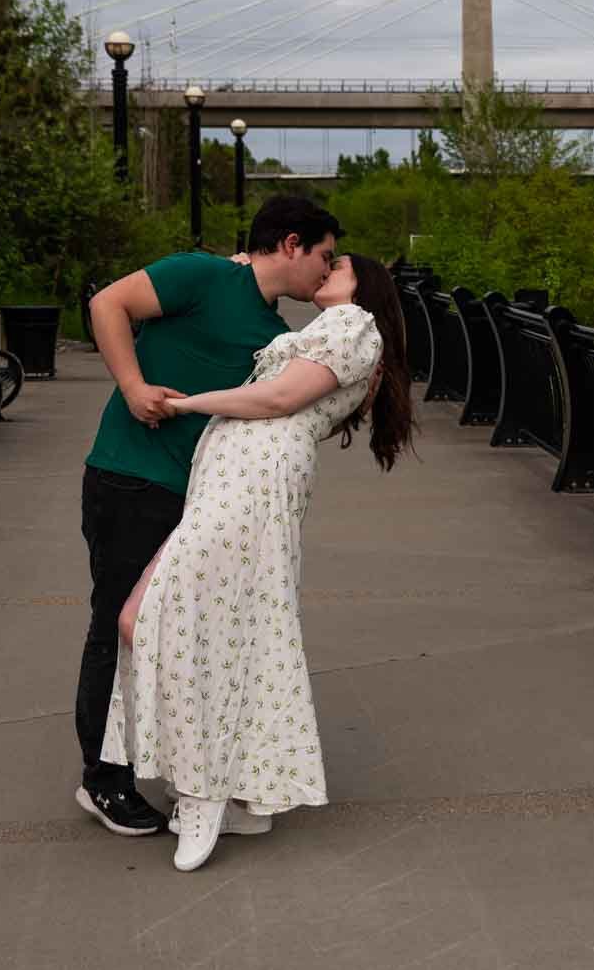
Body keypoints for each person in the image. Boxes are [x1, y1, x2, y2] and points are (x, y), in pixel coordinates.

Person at [101, 253, 415, 871]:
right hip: (229, 476)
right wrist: (238, 263)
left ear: (366, 286)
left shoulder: (354, 326)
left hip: (252, 482)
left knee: (174, 620)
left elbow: (278, 400)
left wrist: (188, 404)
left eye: (339, 264)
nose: (326, 270)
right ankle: (243, 792)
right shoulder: (328, 331)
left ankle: (203, 792)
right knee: (173, 621)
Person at [73, 196, 342, 838]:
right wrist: (134, 386)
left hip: (202, 501)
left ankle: (178, 768)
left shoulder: (282, 332)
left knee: (180, 635)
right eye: (324, 258)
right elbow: (107, 304)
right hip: (132, 477)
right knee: (117, 623)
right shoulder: (202, 275)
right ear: (291, 243)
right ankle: (102, 781)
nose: (325, 274)